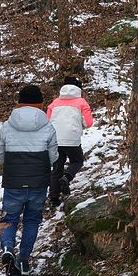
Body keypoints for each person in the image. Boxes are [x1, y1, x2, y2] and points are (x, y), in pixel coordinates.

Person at [0, 84, 58, 276]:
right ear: (40, 103)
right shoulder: (47, 126)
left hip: (13, 182)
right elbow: (53, 156)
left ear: (19, 102)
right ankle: (23, 260)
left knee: (9, 219)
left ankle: (7, 249)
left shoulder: (7, 126)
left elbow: (0, 156)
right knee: (32, 220)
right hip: (38, 182)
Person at [45, 76, 94, 208]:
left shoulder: (55, 102)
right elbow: (88, 123)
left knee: (57, 167)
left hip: (55, 139)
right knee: (77, 161)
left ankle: (53, 198)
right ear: (78, 89)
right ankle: (67, 177)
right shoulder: (81, 102)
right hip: (72, 139)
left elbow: (47, 121)